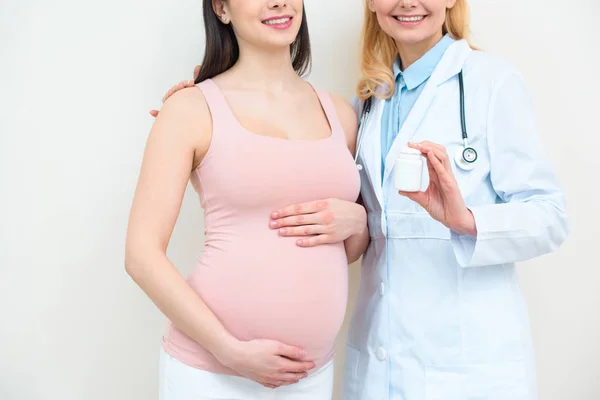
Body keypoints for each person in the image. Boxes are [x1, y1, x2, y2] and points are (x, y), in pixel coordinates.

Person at [158, 0, 569, 399]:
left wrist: (465, 220)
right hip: (379, 356)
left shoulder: (490, 83)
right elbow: (345, 211)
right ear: (371, 3)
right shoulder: (368, 102)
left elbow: (550, 216)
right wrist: (203, 106)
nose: (408, 3)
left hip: (465, 358)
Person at [125, 0, 370, 399]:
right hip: (211, 374)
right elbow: (141, 255)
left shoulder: (340, 113)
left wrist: (358, 221)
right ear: (221, 8)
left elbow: (346, 251)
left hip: (310, 376)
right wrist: (230, 350)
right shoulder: (189, 109)